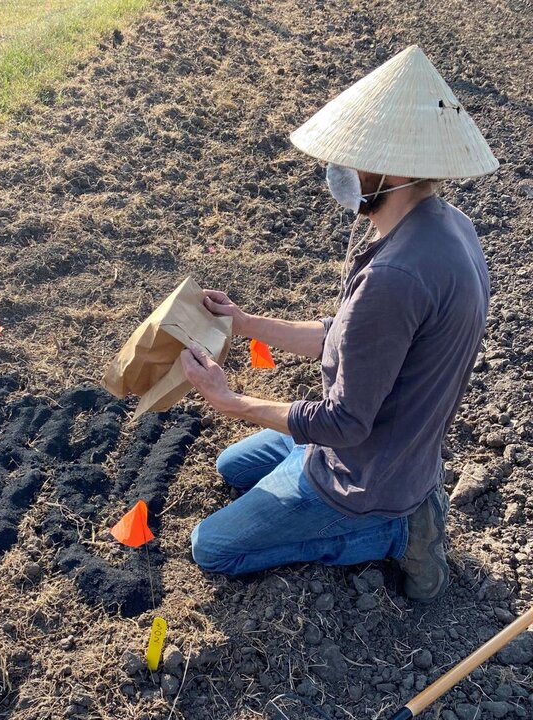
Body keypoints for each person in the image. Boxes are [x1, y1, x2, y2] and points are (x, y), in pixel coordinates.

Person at [179, 45, 498, 602]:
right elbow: (343, 336)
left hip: (363, 478)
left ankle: (393, 529)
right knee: (232, 466)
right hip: (387, 446)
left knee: (211, 545)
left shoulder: (397, 276)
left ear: (394, 165)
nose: (340, 169)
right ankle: (393, 495)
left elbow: (345, 421)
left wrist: (230, 401)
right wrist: (246, 322)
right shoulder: (443, 225)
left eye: (355, 155)